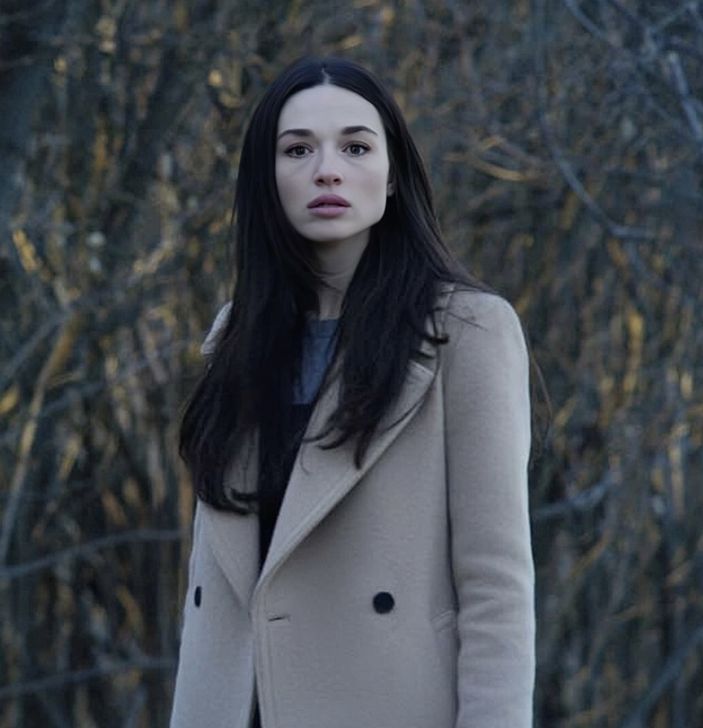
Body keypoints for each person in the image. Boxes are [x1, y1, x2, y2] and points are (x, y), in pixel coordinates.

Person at [170, 56, 535, 728]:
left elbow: (495, 586)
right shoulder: (235, 334)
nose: (327, 170)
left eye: (356, 146)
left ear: (392, 175)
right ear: (266, 178)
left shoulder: (465, 331)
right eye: (298, 149)